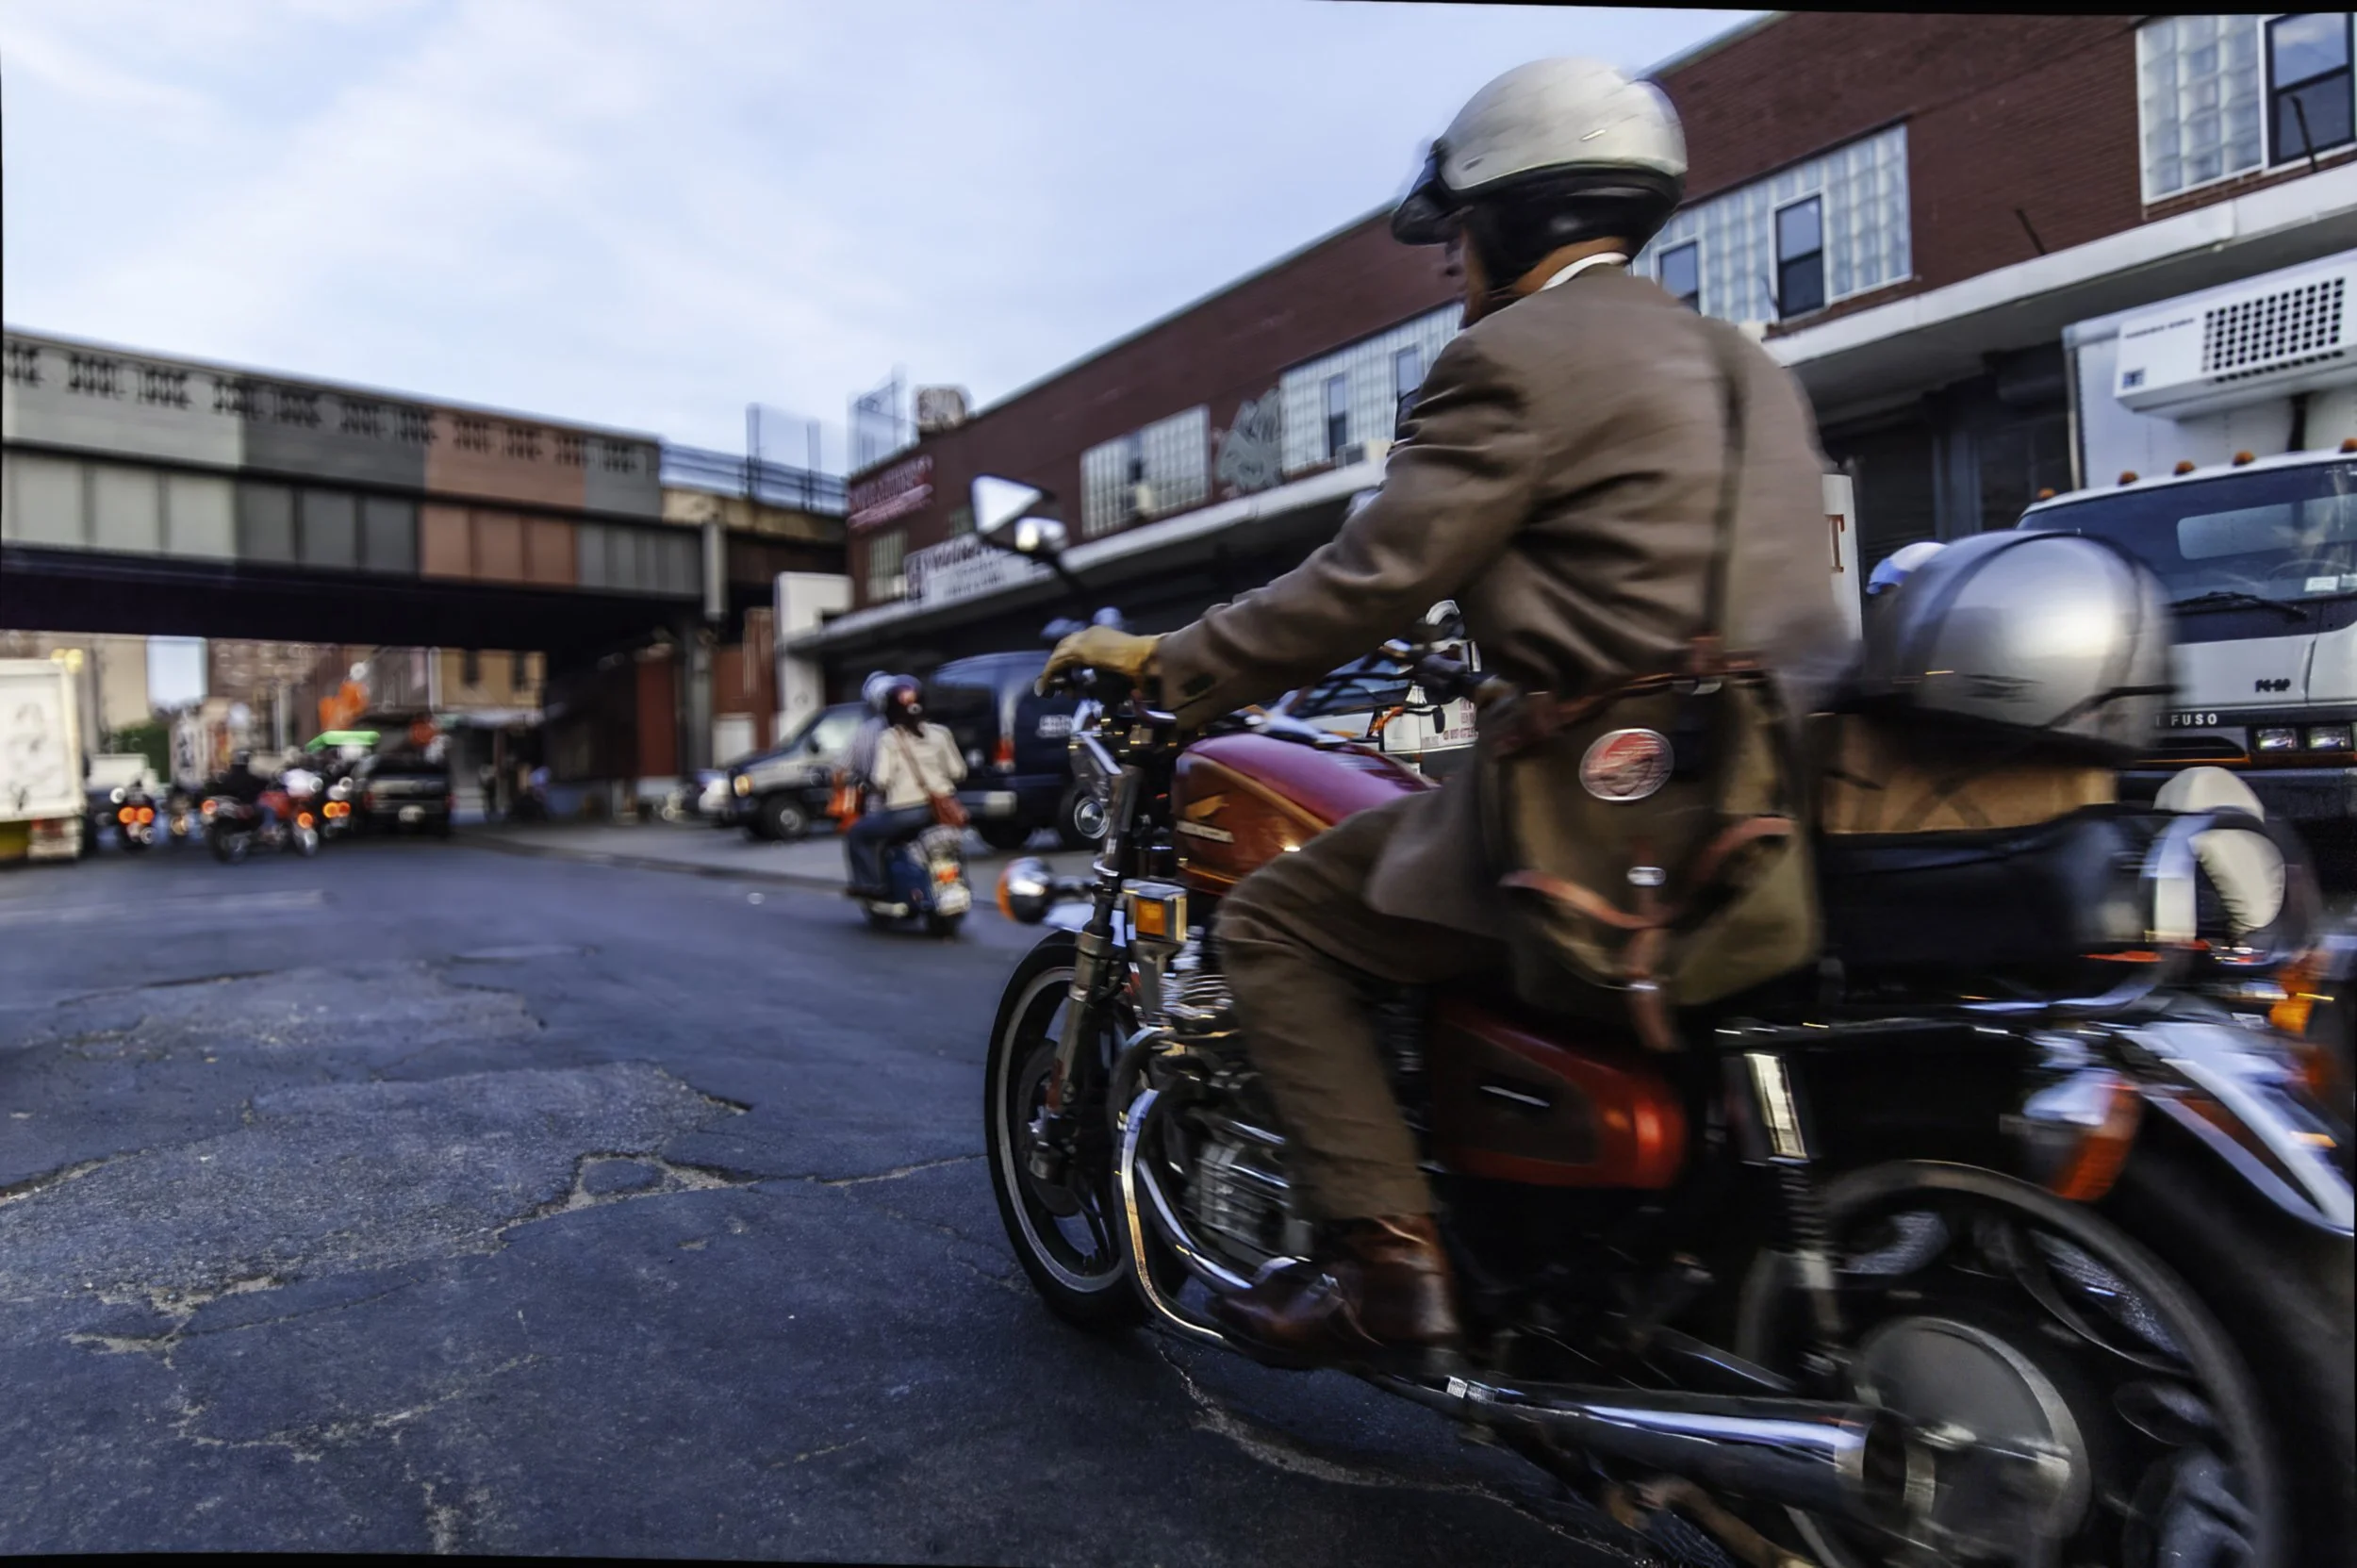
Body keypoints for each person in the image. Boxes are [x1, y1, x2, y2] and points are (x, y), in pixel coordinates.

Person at [1040, 57, 1852, 1371]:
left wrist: (1167, 664)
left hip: (1609, 805)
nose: (1454, 264)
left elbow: (1365, 581)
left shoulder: (1512, 360)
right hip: (1771, 791)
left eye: (1462, 232)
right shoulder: (1738, 362)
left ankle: (1387, 1268)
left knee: (1279, 922)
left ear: (1513, 219)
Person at [843, 677, 965, 898]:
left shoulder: (889, 738)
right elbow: (958, 772)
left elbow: (881, 780)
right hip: (940, 811)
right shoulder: (941, 733)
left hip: (905, 813)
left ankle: (871, 886)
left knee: (858, 833)